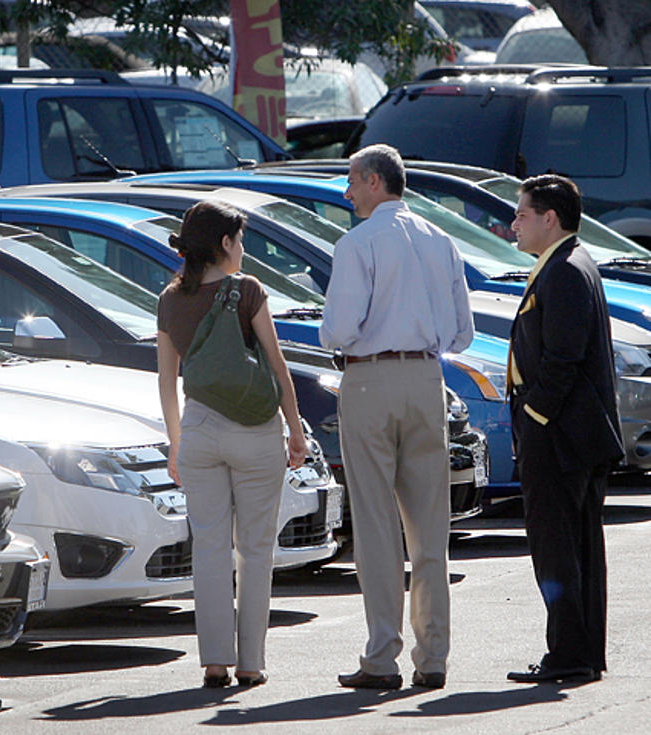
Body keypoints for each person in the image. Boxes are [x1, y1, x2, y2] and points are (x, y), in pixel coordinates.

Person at [319, 144, 474, 690]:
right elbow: (463, 332)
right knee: (430, 528)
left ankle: (382, 655)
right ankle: (433, 658)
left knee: (377, 524)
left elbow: (337, 329)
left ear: (373, 182)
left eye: (352, 183)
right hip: (427, 378)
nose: (348, 192)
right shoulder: (441, 240)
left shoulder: (357, 242)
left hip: (370, 379)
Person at [157, 199, 308, 689]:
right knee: (256, 550)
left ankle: (215, 662)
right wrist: (296, 428)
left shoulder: (169, 299)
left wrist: (177, 443)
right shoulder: (247, 291)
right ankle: (251, 663)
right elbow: (277, 364)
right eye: (239, 240)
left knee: (210, 547)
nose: (243, 249)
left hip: (199, 428)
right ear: (224, 243)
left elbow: (166, 380)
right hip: (254, 430)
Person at [506, 174, 622, 684]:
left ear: (549, 219)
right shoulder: (562, 264)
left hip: (560, 436)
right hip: (566, 434)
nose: (514, 225)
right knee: (572, 547)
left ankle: (569, 654)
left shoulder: (567, 271)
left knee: (558, 547)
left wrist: (534, 416)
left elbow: (564, 359)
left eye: (522, 214)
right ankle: (579, 652)